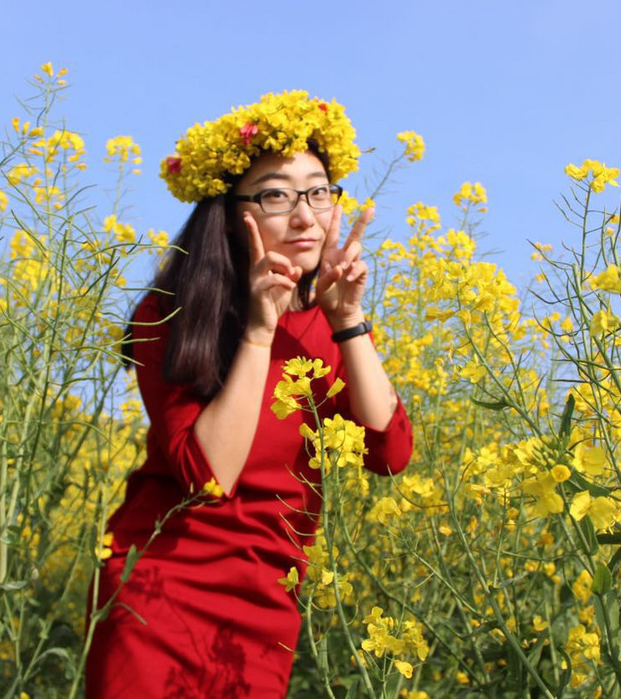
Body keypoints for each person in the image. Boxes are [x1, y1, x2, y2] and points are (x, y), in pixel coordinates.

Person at [85, 91, 413, 698]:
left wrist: (348, 321)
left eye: (319, 192)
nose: (305, 216)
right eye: (276, 195)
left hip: (265, 610)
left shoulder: (328, 324)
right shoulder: (169, 314)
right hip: (159, 592)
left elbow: (388, 454)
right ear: (230, 212)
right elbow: (209, 475)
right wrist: (261, 333)